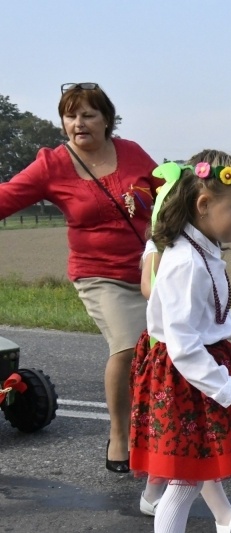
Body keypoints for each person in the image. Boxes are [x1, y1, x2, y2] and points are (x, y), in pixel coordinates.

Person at [0, 82, 161, 473]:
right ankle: (120, 437)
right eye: (70, 116)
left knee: (165, 350)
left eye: (88, 114)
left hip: (150, 270)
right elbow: (6, 196)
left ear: (107, 119)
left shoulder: (132, 152)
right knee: (128, 347)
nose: (79, 123)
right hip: (99, 275)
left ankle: (163, 432)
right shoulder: (52, 164)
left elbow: (167, 193)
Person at [129, 150, 231, 533]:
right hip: (193, 376)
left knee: (198, 478)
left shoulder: (202, 247)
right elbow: (182, 346)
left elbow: (209, 311)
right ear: (203, 204)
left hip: (209, 366)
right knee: (209, 475)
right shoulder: (184, 262)